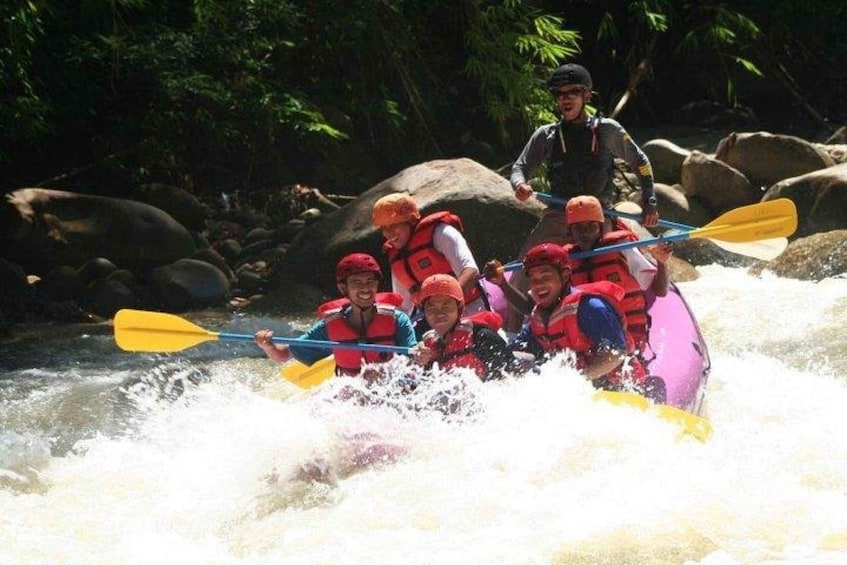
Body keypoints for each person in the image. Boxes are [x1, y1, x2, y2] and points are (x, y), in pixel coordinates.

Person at [503, 63, 659, 331]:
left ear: (586, 95)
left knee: (623, 265)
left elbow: (640, 162)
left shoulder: (607, 130)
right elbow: (520, 168)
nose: (565, 98)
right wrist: (520, 184)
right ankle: (514, 331)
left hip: (598, 218)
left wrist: (650, 200)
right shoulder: (547, 135)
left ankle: (635, 324)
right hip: (559, 216)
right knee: (524, 268)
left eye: (572, 92)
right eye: (559, 94)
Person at [510, 243, 665, 402]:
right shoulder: (540, 317)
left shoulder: (591, 308)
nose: (538, 285)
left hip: (618, 389)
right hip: (581, 388)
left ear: (564, 275)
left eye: (545, 277)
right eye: (533, 279)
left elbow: (615, 354)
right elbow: (516, 351)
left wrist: (576, 382)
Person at [254, 252, 417, 380]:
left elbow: (413, 360)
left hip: (391, 390)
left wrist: (385, 371)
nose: (365, 288)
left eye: (370, 281)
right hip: (352, 395)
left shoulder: (398, 320)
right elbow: (283, 355)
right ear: (343, 288)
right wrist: (268, 346)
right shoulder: (330, 326)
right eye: (356, 283)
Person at [562, 195, 669, 353]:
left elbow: (660, 291)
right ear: (570, 232)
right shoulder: (565, 261)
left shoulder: (622, 248)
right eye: (578, 227)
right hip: (588, 342)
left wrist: (662, 262)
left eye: (591, 226)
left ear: (601, 227)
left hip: (629, 339)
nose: (585, 233)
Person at [372, 192, 488, 318]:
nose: (388, 233)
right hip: (436, 321)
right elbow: (403, 308)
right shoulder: (395, 258)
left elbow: (470, 271)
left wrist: (446, 305)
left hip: (472, 308)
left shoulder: (441, 233)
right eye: (384, 228)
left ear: (411, 220)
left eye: (394, 225)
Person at [411, 274, 525, 381]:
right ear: (424, 313)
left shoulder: (482, 337)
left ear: (459, 309)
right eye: (432, 308)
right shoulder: (427, 350)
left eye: (446, 306)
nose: (439, 313)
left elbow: (513, 379)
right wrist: (420, 364)